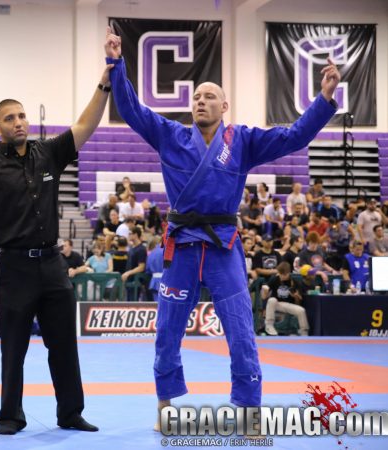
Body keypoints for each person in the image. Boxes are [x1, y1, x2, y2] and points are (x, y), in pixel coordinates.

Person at [105, 27, 340, 427]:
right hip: (181, 245)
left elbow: (295, 137)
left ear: (225, 105)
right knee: (167, 330)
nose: (201, 101)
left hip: (222, 247)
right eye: (196, 96)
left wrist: (324, 99)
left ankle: (249, 409)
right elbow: (131, 110)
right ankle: (165, 404)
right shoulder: (171, 136)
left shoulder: (243, 140)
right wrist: (115, 62)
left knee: (241, 330)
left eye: (209, 96)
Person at [0, 65, 114, 435]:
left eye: (22, 115)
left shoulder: (48, 153)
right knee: (13, 349)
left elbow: (85, 125)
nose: (18, 122)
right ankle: (11, 416)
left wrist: (103, 86)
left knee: (64, 345)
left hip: (53, 265)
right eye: (9, 118)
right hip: (15, 269)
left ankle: (70, 413)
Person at [261, 262, 308, 336]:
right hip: (277, 304)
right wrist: (265, 290)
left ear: (289, 273)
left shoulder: (294, 282)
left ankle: (304, 332)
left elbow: (299, 301)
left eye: (284, 275)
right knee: (272, 300)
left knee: (301, 311)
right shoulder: (274, 279)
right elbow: (264, 297)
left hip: (288, 304)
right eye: (280, 274)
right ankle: (269, 325)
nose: (282, 276)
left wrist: (295, 296)